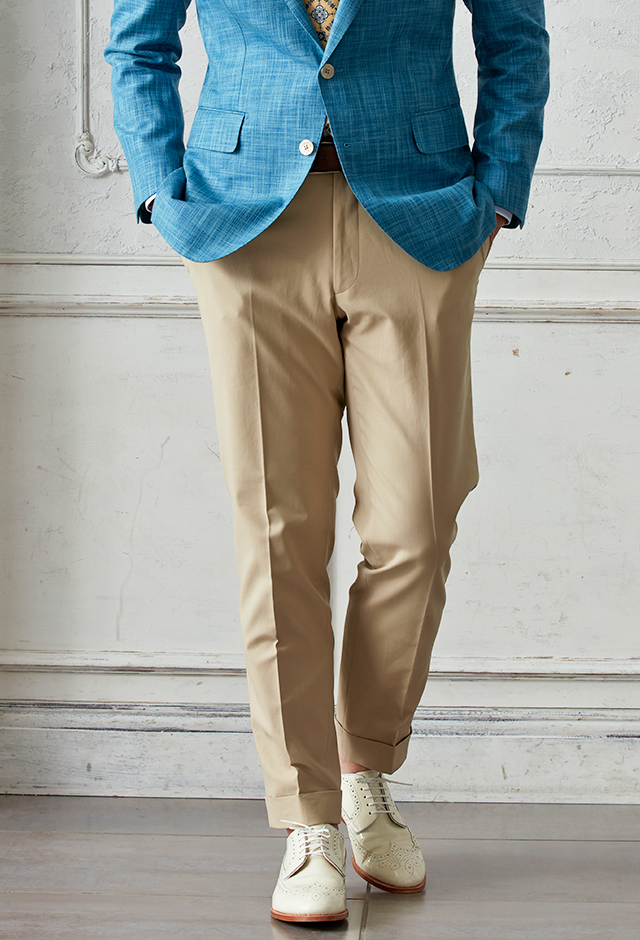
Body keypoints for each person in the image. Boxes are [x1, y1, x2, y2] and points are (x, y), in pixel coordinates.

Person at [105, 0, 549, 924]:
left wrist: (500, 191)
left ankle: (362, 768)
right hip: (243, 219)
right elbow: (137, 42)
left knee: (417, 522)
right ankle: (308, 819)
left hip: (421, 212)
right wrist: (157, 190)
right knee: (278, 530)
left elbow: (514, 35)